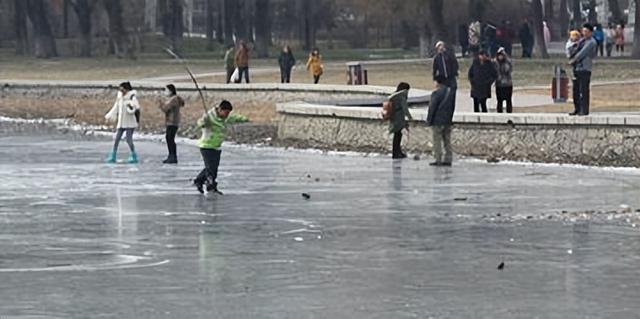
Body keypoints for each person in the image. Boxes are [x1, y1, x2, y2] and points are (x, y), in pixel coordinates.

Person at [193, 100, 246, 195]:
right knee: (210, 168)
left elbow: (234, 118)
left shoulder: (225, 118)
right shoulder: (209, 116)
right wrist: (204, 122)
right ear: (220, 109)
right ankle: (211, 187)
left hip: (216, 146)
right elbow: (200, 123)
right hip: (206, 146)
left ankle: (199, 180)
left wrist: (245, 119)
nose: (227, 115)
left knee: (213, 167)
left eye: (228, 113)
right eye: (226, 112)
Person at [104, 82, 140, 164]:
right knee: (116, 139)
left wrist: (130, 105)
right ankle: (113, 155)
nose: (121, 90)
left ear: (126, 89)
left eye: (122, 88)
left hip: (130, 123)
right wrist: (108, 116)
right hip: (121, 122)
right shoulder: (120, 97)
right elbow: (115, 107)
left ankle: (133, 155)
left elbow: (136, 107)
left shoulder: (132, 97)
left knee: (129, 139)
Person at [569, 23, 597, 116]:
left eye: (586, 31)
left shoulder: (591, 42)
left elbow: (582, 53)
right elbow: (574, 49)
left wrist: (574, 60)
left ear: (591, 32)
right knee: (576, 90)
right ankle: (577, 108)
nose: (584, 33)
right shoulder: (581, 41)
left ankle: (584, 110)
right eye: (583, 31)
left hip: (585, 68)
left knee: (584, 90)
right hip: (577, 68)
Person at [426, 77, 455, 167]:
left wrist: (429, 120)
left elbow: (432, 108)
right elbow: (452, 107)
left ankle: (438, 158)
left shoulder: (436, 93)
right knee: (447, 140)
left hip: (437, 120)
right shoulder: (451, 93)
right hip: (447, 120)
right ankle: (448, 158)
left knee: (437, 140)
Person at [158, 84, 184, 164]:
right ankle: (171, 156)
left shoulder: (174, 99)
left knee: (169, 138)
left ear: (171, 91)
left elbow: (166, 109)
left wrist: (160, 103)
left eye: (166, 90)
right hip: (173, 122)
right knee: (170, 138)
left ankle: (172, 156)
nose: (165, 92)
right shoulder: (174, 99)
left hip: (172, 122)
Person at [388, 82, 413, 159]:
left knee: (397, 135)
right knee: (398, 136)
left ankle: (396, 152)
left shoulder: (394, 96)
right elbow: (405, 108)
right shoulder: (401, 97)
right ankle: (396, 153)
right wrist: (410, 118)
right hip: (398, 119)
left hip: (393, 118)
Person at [432, 41, 459, 112]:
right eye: (439, 47)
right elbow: (435, 69)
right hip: (442, 79)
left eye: (442, 46)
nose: (441, 48)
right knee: (444, 95)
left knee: (452, 92)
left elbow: (455, 64)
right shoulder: (437, 58)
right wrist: (436, 80)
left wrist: (455, 73)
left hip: (451, 77)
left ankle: (451, 108)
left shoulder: (449, 55)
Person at [494, 47, 513, 113]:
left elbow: (508, 70)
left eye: (501, 55)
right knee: (499, 100)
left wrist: (504, 62)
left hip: (507, 84)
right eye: (499, 55)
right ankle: (499, 113)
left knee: (508, 100)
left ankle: (509, 113)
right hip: (499, 85)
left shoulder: (508, 62)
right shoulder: (495, 63)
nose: (500, 57)